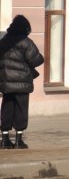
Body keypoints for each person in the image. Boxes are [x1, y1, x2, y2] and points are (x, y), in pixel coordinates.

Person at [0, 15, 44, 150]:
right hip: (22, 83)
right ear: (26, 28)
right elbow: (37, 60)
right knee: (21, 109)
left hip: (6, 82)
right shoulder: (26, 42)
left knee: (7, 108)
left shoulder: (3, 41)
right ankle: (19, 140)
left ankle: (4, 139)